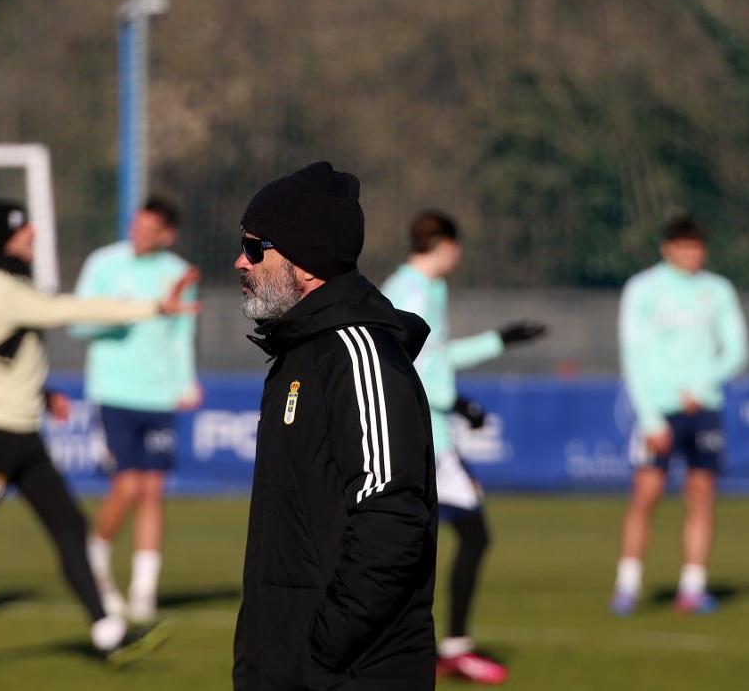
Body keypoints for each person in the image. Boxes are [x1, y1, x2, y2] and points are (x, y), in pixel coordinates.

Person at [0, 198, 197, 668]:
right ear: (3, 238)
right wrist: (155, 306)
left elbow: (5, 354)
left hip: (24, 436)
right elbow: (66, 310)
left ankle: (109, 633)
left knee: (69, 526)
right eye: (23, 230)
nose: (33, 235)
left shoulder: (10, 283)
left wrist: (44, 391)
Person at [233, 162, 438, 691]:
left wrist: (322, 648)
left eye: (257, 248)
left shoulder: (358, 356)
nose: (241, 261)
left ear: (304, 260)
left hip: (347, 672)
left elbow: (391, 518)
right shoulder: (299, 352)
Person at [382, 211, 545, 684]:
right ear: (447, 245)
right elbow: (402, 366)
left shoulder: (430, 289)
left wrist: (500, 340)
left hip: (436, 434)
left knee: (457, 537)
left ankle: (443, 646)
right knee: (429, 542)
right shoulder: (407, 291)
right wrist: (456, 401)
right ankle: (431, 645)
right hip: (414, 436)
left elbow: (436, 360)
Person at [611, 216, 748, 616]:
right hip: (659, 410)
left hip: (703, 408)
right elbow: (633, 355)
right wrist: (651, 416)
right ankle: (628, 585)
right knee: (646, 494)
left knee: (701, 495)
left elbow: (735, 351)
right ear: (666, 248)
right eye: (683, 247)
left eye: (697, 248)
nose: (691, 255)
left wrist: (702, 387)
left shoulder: (717, 290)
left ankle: (692, 587)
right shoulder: (643, 288)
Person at [72, 197, 199, 623]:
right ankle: (95, 560)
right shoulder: (104, 264)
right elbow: (78, 322)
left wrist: (186, 381)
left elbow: (182, 333)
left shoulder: (180, 273)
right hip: (114, 391)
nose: (139, 235)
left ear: (168, 235)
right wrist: (126, 313)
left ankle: (143, 592)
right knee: (126, 485)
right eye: (135, 226)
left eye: (149, 230)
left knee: (153, 490)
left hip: (160, 395)